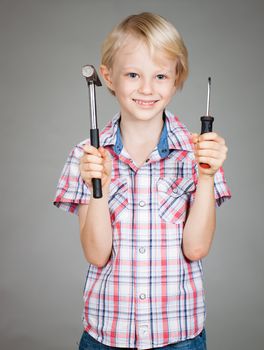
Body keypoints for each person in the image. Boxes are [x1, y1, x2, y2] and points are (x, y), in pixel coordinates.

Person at [54, 12, 231, 350]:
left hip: (179, 337)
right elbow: (96, 253)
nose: (147, 89)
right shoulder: (87, 156)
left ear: (177, 78)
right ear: (108, 77)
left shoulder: (199, 154)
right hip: (107, 338)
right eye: (133, 74)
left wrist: (206, 177)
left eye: (161, 75)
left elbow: (196, 248)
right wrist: (99, 191)